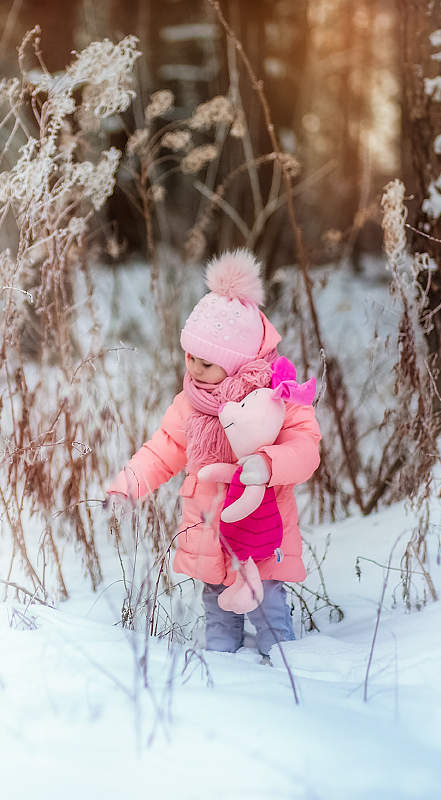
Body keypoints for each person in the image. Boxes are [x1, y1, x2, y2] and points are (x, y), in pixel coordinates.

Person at [105, 249, 321, 658]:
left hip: (261, 528)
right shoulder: (190, 403)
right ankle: (220, 672)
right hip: (210, 528)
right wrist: (127, 485)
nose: (194, 368)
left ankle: (287, 669)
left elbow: (306, 448)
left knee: (268, 603)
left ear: (239, 363)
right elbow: (163, 448)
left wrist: (268, 464)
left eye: (207, 362)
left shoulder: (276, 398)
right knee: (217, 606)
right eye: (190, 356)